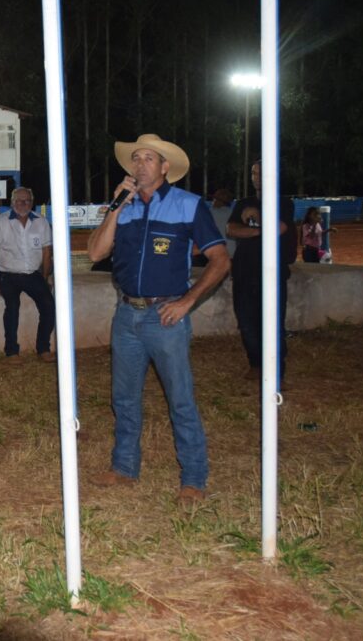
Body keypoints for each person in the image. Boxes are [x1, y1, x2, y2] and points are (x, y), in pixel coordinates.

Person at [87, 134, 229, 504]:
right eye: (135, 159)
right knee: (125, 398)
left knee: (180, 399)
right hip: (126, 315)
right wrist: (116, 207)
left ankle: (193, 478)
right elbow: (95, 251)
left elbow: (220, 261)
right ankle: (124, 468)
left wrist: (187, 302)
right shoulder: (124, 207)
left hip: (166, 316)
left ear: (165, 168)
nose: (140, 165)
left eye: (148, 159)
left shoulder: (188, 205)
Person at [227, 160, 296, 381]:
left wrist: (255, 220)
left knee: (273, 323)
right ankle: (256, 364)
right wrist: (259, 231)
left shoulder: (283, 203)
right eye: (254, 173)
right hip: (244, 271)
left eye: (261, 173)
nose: (256, 177)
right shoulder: (243, 203)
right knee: (246, 322)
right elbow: (231, 229)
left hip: (272, 273)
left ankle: (276, 372)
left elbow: (280, 228)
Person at [0, 187, 56, 363]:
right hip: (7, 275)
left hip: (33, 274)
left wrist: (45, 278)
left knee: (49, 306)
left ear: (32, 203)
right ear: (12, 202)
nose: (22, 204)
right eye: (18, 200)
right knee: (12, 307)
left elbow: (47, 252)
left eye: (26, 201)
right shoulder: (1, 222)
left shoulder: (41, 222)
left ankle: (43, 349)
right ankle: (11, 352)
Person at [209, 188, 236, 258]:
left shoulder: (209, 213)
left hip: (214, 253)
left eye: (214, 199)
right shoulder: (234, 213)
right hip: (232, 253)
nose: (213, 202)